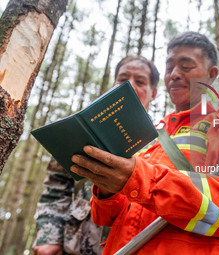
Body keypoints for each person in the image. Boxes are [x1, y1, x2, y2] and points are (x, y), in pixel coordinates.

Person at [70, 31, 219, 255]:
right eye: (169, 68)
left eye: (186, 66)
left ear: (211, 75)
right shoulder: (147, 134)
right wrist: (107, 190)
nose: (174, 74)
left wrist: (142, 179)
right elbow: (105, 217)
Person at [32, 55, 159, 255]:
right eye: (122, 78)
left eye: (140, 81)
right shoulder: (83, 129)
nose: (129, 85)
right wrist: (49, 237)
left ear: (154, 93)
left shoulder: (161, 142)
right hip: (74, 247)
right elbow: (56, 188)